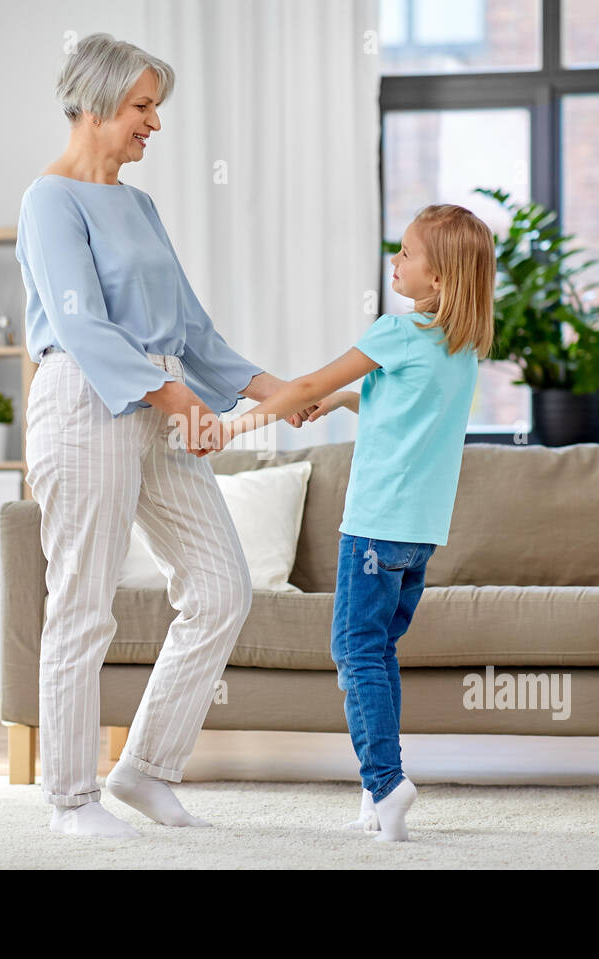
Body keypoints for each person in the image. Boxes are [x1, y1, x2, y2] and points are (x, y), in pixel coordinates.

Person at [16, 33, 316, 838]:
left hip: (160, 392)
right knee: (82, 601)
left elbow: (190, 326)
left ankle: (145, 769)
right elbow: (82, 324)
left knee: (221, 585)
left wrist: (276, 390)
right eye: (144, 106)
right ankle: (70, 800)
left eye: (157, 107)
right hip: (86, 399)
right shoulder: (50, 199)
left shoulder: (139, 205)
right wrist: (180, 400)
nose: (155, 123)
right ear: (95, 101)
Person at [206, 203, 497, 842]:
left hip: (373, 525)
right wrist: (340, 402)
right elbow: (404, 410)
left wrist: (230, 427)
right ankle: (376, 791)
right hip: (419, 534)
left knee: (353, 650)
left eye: (408, 254)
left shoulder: (397, 331)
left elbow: (307, 379)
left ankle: (388, 782)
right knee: (379, 648)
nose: (396, 261)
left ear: (440, 278)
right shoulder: (460, 349)